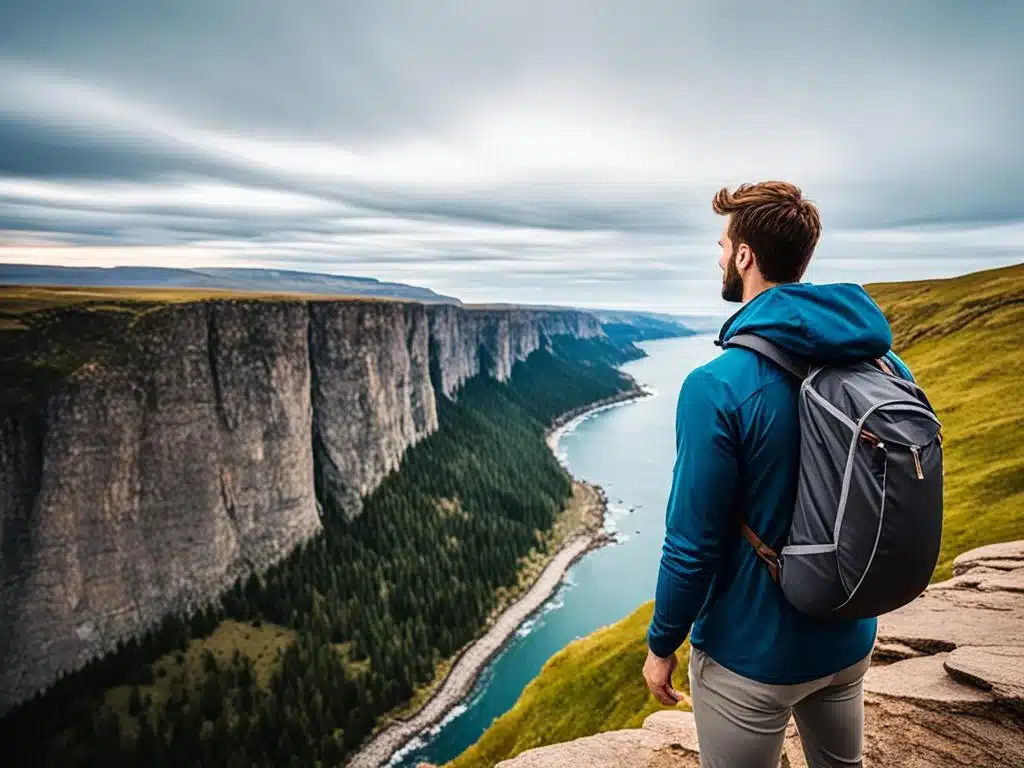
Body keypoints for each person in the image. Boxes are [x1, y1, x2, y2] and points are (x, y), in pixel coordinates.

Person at [641, 181, 913, 767]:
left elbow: (692, 545)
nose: (718, 256)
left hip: (751, 657)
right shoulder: (882, 362)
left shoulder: (715, 385)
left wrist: (662, 645)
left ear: (745, 256)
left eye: (722, 245)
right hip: (848, 635)